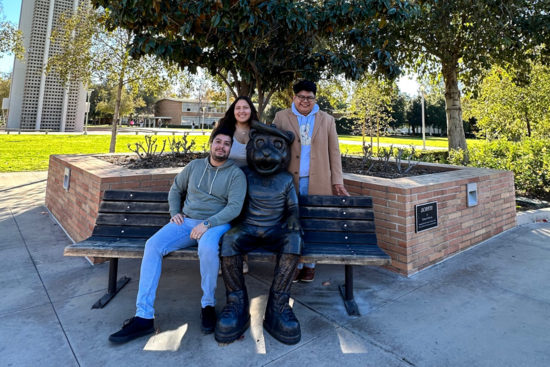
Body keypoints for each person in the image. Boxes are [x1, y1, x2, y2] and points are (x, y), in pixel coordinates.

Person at [108, 128, 247, 344]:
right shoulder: (194, 166)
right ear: (210, 144)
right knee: (153, 245)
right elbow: (175, 190)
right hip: (186, 222)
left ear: (230, 148)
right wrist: (175, 213)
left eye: (226, 143)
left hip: (216, 224)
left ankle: (208, 305)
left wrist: (207, 224)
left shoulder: (236, 174)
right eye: (217, 141)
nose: (221, 146)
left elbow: (235, 208)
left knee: (208, 248)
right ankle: (143, 317)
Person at [272, 80, 350, 283]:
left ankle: (310, 265)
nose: (305, 101)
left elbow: (334, 152)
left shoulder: (327, 120)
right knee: (292, 223)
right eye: (301, 97)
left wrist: (337, 181)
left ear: (315, 99)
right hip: (290, 182)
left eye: (309, 97)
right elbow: (274, 148)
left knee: (313, 222)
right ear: (294, 98)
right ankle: (295, 264)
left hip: (319, 180)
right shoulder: (281, 117)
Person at [210, 96, 260, 273]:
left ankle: (242, 258)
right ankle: (220, 257)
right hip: (226, 181)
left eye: (245, 108)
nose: (241, 111)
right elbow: (214, 155)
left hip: (252, 184)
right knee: (224, 218)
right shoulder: (224, 130)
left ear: (251, 111)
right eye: (238, 108)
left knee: (244, 220)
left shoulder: (259, 131)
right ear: (233, 110)